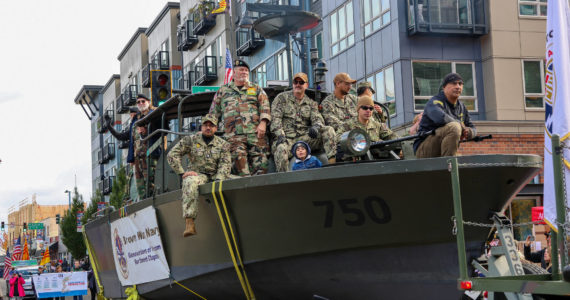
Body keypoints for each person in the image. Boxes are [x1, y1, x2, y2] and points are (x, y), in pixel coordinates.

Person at [167, 114, 232, 237]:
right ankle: (189, 223)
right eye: (205, 125)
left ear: (216, 128)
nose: (208, 128)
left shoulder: (223, 144)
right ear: (201, 127)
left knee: (242, 181)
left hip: (218, 175)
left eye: (211, 125)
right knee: (189, 181)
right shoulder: (190, 140)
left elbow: (225, 164)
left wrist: (219, 179)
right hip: (199, 175)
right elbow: (172, 155)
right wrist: (182, 172)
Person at [209, 59, 271, 177]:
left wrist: (263, 123)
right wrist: (210, 129)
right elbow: (213, 114)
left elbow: (265, 107)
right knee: (240, 167)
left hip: (256, 134)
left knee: (262, 165)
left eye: (246, 71)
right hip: (234, 137)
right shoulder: (223, 91)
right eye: (241, 70)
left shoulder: (256, 89)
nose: (244, 73)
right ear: (234, 72)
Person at [271, 72, 337, 171]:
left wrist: (316, 126)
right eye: (295, 82)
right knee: (281, 149)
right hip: (286, 139)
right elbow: (275, 119)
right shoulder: (281, 98)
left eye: (301, 82)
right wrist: (280, 134)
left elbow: (317, 118)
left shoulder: (311, 103)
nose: (298, 84)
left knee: (328, 130)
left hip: (304, 138)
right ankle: (284, 180)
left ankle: (332, 167)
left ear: (306, 85)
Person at [107, 94, 161, 199]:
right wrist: (109, 126)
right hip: (138, 159)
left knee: (151, 185)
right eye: (138, 102)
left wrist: (147, 131)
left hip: (150, 156)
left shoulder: (154, 114)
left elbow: (163, 129)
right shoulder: (136, 120)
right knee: (140, 187)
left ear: (148, 102)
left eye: (143, 101)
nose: (141, 103)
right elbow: (122, 136)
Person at [413, 73, 476, 158]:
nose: (458, 86)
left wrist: (469, 132)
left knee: (456, 126)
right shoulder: (434, 102)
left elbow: (472, 127)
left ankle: (449, 162)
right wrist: (461, 125)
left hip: (444, 148)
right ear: (444, 87)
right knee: (454, 127)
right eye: (454, 83)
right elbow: (440, 118)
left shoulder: (461, 107)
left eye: (460, 84)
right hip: (424, 150)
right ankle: (448, 165)